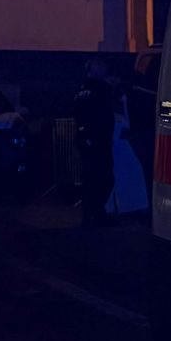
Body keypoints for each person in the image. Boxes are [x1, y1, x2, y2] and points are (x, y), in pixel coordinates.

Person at [73, 59, 116, 226]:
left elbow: (79, 113)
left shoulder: (82, 89)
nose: (105, 70)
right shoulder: (100, 89)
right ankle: (96, 213)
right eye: (102, 68)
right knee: (103, 177)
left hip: (89, 139)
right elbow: (99, 115)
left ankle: (90, 213)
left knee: (91, 177)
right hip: (97, 140)